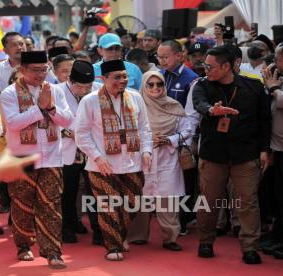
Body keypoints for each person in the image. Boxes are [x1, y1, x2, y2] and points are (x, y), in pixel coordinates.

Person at [192, 46, 271, 264]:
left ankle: (249, 247)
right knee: (209, 201)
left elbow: (265, 121)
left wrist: (265, 150)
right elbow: (199, 104)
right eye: (205, 65)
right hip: (212, 155)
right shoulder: (202, 86)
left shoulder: (253, 87)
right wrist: (211, 110)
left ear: (226, 66)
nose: (205, 69)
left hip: (246, 155)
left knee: (248, 202)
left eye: (210, 66)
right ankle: (205, 242)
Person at [0, 51, 73, 269]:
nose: (42, 74)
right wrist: (40, 108)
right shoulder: (9, 93)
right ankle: (23, 246)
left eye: (45, 69)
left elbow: (68, 120)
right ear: (23, 70)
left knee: (50, 206)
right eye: (36, 70)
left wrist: (50, 107)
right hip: (22, 158)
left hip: (51, 157)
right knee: (22, 205)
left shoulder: (55, 91)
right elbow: (13, 123)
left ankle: (53, 252)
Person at [75, 59, 152, 261]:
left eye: (124, 76)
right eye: (117, 77)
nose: (122, 80)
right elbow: (81, 134)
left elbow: (144, 128)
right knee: (108, 206)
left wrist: (147, 151)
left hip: (132, 162)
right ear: (103, 79)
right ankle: (112, 246)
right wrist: (98, 157)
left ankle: (118, 236)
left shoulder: (135, 97)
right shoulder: (89, 100)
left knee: (133, 203)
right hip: (102, 165)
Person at [127, 71, 191, 251]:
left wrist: (169, 139)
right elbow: (129, 130)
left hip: (168, 158)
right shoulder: (135, 105)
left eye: (159, 84)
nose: (155, 88)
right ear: (144, 86)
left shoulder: (174, 106)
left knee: (168, 200)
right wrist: (146, 137)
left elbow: (186, 131)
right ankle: (138, 235)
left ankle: (170, 238)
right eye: (151, 84)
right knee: (140, 198)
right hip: (142, 157)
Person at [57, 60, 102, 245]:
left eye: (88, 87)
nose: (84, 91)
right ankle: (68, 226)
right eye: (80, 87)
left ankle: (99, 229)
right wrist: (72, 134)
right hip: (67, 149)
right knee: (68, 191)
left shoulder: (99, 90)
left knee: (95, 191)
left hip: (93, 149)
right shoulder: (56, 91)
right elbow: (50, 121)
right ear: (70, 80)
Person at [262, 43, 283, 260]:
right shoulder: (277, 79)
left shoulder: (277, 84)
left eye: (278, 59)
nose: (275, 64)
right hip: (277, 147)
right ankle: (277, 235)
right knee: (277, 195)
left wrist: (274, 88)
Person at [158, 40, 198, 107]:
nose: (161, 61)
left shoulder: (192, 78)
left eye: (165, 57)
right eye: (159, 57)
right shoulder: (158, 75)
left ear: (178, 56)